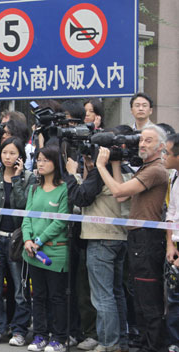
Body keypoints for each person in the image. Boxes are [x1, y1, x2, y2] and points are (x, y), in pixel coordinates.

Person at [96, 125, 168, 352]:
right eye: (142, 140)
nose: (142, 144)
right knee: (139, 295)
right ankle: (144, 343)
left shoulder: (156, 169)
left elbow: (117, 192)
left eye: (148, 140)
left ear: (161, 146)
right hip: (138, 237)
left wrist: (100, 165)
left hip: (148, 238)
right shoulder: (147, 167)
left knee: (148, 298)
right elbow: (124, 194)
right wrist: (115, 164)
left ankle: (152, 346)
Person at [63, 132, 134, 352]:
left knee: (102, 296)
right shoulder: (122, 168)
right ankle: (119, 340)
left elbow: (81, 197)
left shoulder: (100, 173)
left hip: (101, 238)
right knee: (115, 293)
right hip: (119, 237)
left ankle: (107, 342)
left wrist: (71, 175)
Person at [0, 137, 36, 346]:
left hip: (17, 240)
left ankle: (19, 330)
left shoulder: (28, 178)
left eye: (13, 153)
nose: (8, 157)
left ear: (20, 156)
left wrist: (16, 180)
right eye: (5, 153)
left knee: (19, 290)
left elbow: (24, 206)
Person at [23, 146, 70, 352]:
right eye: (38, 160)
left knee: (57, 297)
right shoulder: (34, 188)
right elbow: (26, 217)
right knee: (38, 295)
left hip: (55, 252)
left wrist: (39, 241)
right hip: (32, 252)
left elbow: (60, 222)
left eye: (45, 160)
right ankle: (40, 334)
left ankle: (59, 337)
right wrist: (27, 240)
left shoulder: (64, 189)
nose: (40, 164)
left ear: (56, 163)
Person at [164, 133, 179, 352]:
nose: (163, 156)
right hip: (175, 246)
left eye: (166, 152)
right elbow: (171, 212)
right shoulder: (174, 176)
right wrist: (170, 244)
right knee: (174, 300)